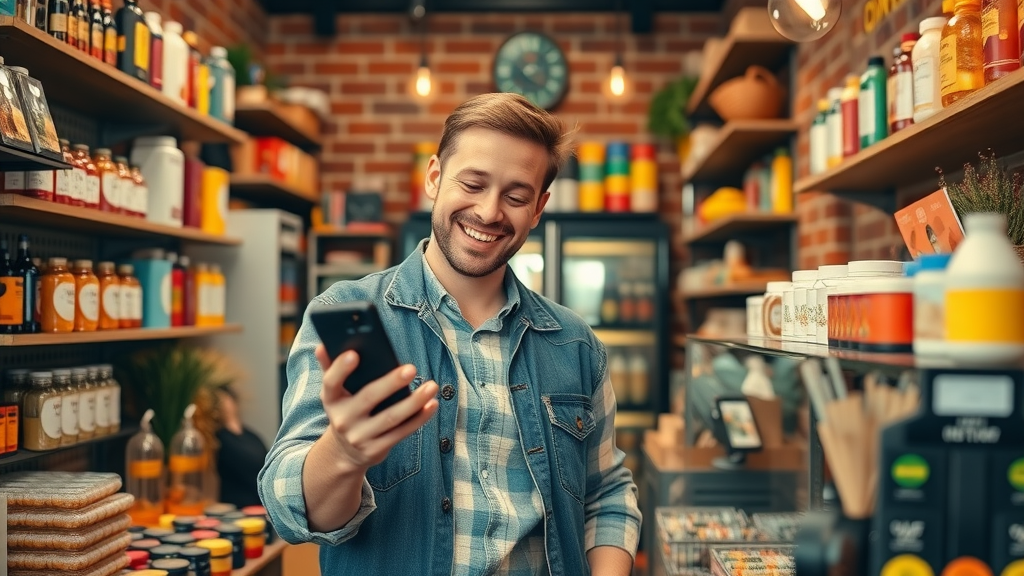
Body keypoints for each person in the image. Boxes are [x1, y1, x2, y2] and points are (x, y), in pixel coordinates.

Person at [258, 93, 641, 575]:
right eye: (473, 183)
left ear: (539, 208)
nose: (488, 212)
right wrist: (345, 452)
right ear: (435, 177)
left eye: (516, 196)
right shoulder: (347, 315)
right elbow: (291, 511)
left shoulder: (575, 343)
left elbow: (606, 493)